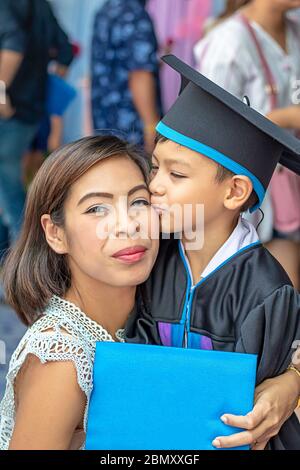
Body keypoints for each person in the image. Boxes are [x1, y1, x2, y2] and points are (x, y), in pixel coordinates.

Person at [123, 55, 300, 450]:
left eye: (177, 175)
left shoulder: (266, 290)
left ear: (234, 192)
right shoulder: (153, 257)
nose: (155, 186)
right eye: (155, 168)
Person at [0, 136, 159, 450]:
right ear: (56, 234)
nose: (127, 225)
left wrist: (288, 378)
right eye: (97, 209)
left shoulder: (154, 313)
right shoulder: (62, 359)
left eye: (139, 202)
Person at [194, 0, 300, 289]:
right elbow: (213, 129)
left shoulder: (294, 30)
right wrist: (282, 117)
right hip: (252, 193)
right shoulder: (228, 43)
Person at [0, 0, 73, 250]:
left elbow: (14, 45)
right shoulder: (40, 5)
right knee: (9, 185)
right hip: (30, 110)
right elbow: (65, 51)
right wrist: (43, 89)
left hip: (9, 112)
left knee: (9, 188)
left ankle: (24, 257)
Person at [91, 0, 161, 153]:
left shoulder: (107, 9)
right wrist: (151, 124)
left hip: (106, 124)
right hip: (131, 128)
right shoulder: (134, 15)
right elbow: (139, 73)